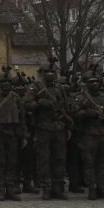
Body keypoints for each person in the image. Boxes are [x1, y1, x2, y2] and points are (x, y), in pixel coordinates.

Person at [73, 75, 104, 201]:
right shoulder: (81, 99)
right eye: (91, 82)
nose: (94, 84)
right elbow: (74, 114)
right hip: (88, 135)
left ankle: (101, 188)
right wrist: (86, 113)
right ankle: (92, 188)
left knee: (103, 163)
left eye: (96, 82)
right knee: (89, 164)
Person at [28, 68, 69, 200]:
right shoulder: (35, 87)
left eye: (52, 72)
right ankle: (46, 187)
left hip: (58, 127)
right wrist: (39, 103)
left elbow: (68, 105)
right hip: (43, 128)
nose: (50, 74)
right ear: (42, 74)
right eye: (47, 72)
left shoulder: (59, 88)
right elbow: (26, 103)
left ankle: (58, 187)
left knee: (59, 159)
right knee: (44, 159)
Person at [0, 76, 26, 201]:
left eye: (8, 81)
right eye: (3, 81)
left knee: (12, 162)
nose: (6, 84)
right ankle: (1, 189)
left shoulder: (16, 97)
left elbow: (22, 117)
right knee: (0, 162)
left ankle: (11, 188)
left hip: (13, 133)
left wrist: (23, 135)